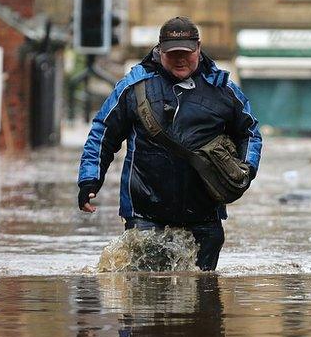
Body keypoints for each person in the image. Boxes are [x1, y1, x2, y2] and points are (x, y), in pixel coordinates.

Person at [77, 17, 262, 271]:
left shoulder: (224, 89)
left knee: (203, 297)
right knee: (143, 296)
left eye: (186, 52)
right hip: (145, 213)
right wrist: (90, 180)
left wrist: (247, 168)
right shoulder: (134, 86)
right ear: (159, 50)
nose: (180, 59)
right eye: (172, 53)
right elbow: (103, 133)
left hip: (204, 216)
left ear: (198, 48)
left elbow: (250, 132)